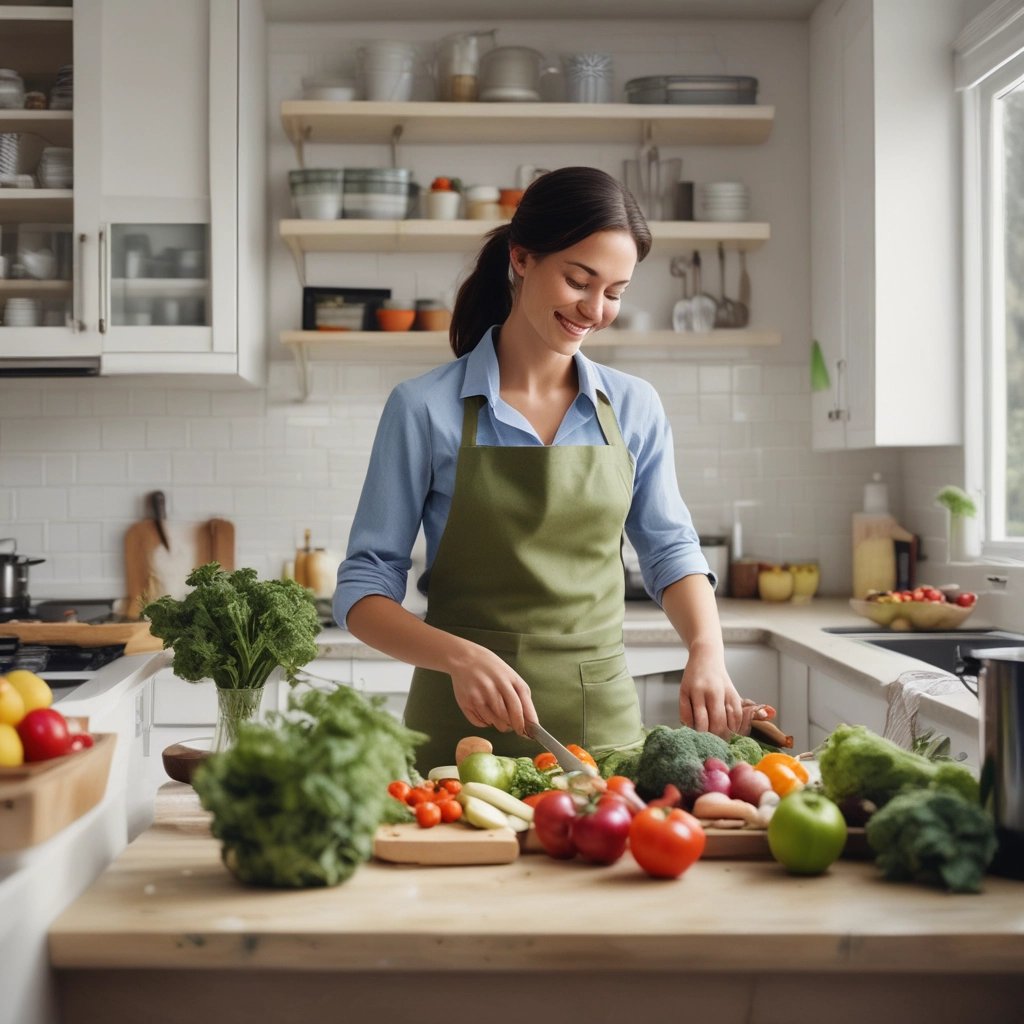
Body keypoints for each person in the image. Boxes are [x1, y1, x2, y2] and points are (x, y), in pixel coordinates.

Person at [334, 165, 764, 771]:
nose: (595, 309)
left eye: (614, 292)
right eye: (579, 280)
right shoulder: (424, 407)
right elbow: (362, 586)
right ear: (522, 258)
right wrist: (458, 656)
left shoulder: (633, 406)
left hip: (598, 730)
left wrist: (707, 650)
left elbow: (669, 549)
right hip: (458, 736)